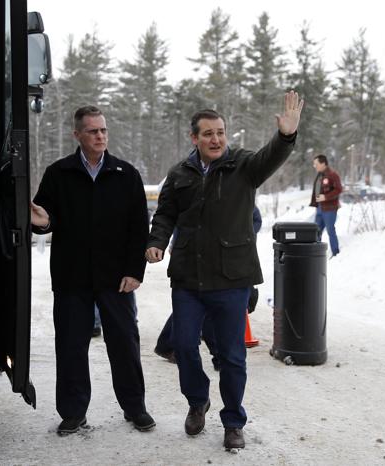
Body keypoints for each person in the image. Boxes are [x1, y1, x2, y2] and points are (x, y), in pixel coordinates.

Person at [146, 91, 304, 450]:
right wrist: (156, 241)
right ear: (194, 138)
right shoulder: (179, 173)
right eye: (208, 134)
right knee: (184, 346)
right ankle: (197, 400)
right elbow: (166, 214)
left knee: (232, 355)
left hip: (232, 278)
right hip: (188, 277)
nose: (216, 139)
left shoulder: (244, 166)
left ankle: (233, 420)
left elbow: (271, 157)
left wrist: (286, 136)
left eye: (220, 132)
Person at [31, 105, 155, 435]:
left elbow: (138, 227)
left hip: (117, 278)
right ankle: (72, 412)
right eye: (93, 131)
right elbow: (46, 216)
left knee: (125, 344)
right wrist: (43, 223)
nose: (100, 136)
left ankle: (135, 407)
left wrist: (135, 271)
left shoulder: (125, 174)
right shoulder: (59, 173)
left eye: (103, 130)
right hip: (72, 277)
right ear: (77, 135)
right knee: (71, 346)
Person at [154, 207, 263, 368]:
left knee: (202, 306)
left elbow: (255, 219)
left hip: (228, 257)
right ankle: (217, 356)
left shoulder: (235, 190)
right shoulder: (194, 187)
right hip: (197, 256)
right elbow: (181, 216)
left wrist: (239, 238)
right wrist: (176, 242)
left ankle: (170, 344)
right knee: (197, 305)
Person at [309, 154, 342, 258]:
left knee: (330, 230)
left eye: (316, 164)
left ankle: (336, 253)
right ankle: (316, 255)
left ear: (323, 163)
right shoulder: (319, 175)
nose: (315, 166)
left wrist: (326, 197)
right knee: (316, 232)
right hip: (319, 208)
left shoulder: (333, 175)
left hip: (329, 209)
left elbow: (339, 189)